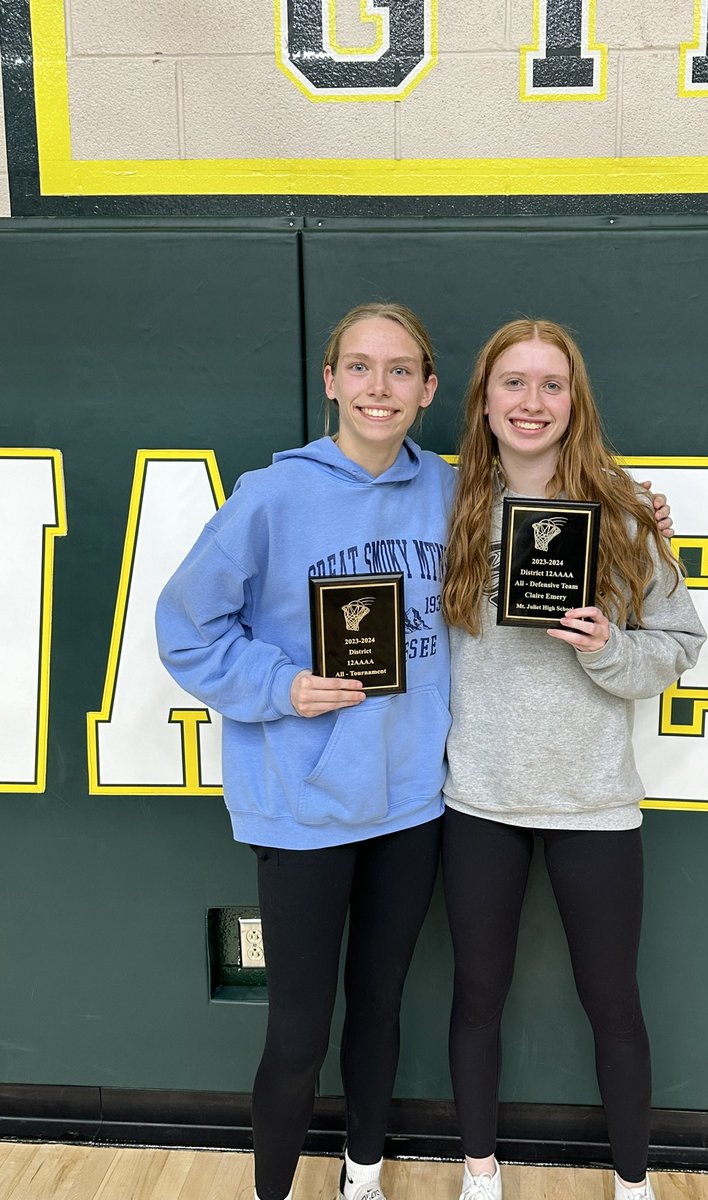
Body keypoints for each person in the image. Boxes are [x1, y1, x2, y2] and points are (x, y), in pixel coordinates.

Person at [156, 303, 675, 1200]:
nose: (379, 387)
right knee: (298, 1036)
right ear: (330, 380)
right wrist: (280, 686)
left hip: (412, 805)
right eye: (360, 367)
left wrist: (635, 513)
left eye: (400, 370)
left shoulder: (453, 491)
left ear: (430, 389)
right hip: (309, 803)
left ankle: (362, 1174)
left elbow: (568, 515)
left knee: (381, 1007)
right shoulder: (273, 497)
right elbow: (187, 629)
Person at [440, 319, 707, 1200]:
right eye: (513, 383)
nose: (532, 401)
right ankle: (481, 1172)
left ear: (575, 401)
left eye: (551, 384)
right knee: (477, 996)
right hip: (479, 800)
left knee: (613, 1003)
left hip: (594, 803)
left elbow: (678, 644)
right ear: (484, 401)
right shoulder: (443, 508)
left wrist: (607, 648)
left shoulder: (625, 516)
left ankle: (633, 1183)